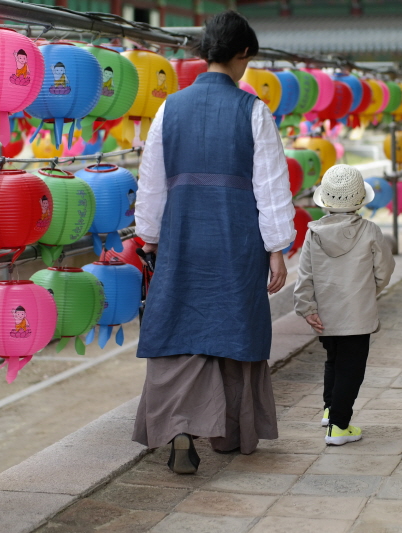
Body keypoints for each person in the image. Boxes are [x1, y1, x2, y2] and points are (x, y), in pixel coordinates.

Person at [132, 10, 295, 474]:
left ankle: (180, 429)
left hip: (182, 235)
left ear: (206, 52)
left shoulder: (170, 107)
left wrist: (151, 237)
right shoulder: (254, 110)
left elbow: (152, 184)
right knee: (233, 328)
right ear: (242, 53)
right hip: (235, 237)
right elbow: (270, 184)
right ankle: (231, 431)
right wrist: (277, 247)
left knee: (179, 331)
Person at [293, 164, 395, 445]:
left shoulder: (313, 233)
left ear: (325, 200)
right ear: (360, 200)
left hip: (326, 314)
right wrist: (369, 291)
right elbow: (384, 270)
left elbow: (305, 276)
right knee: (352, 368)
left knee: (334, 360)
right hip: (357, 314)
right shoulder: (370, 231)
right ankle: (339, 426)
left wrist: (308, 309)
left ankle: (329, 409)